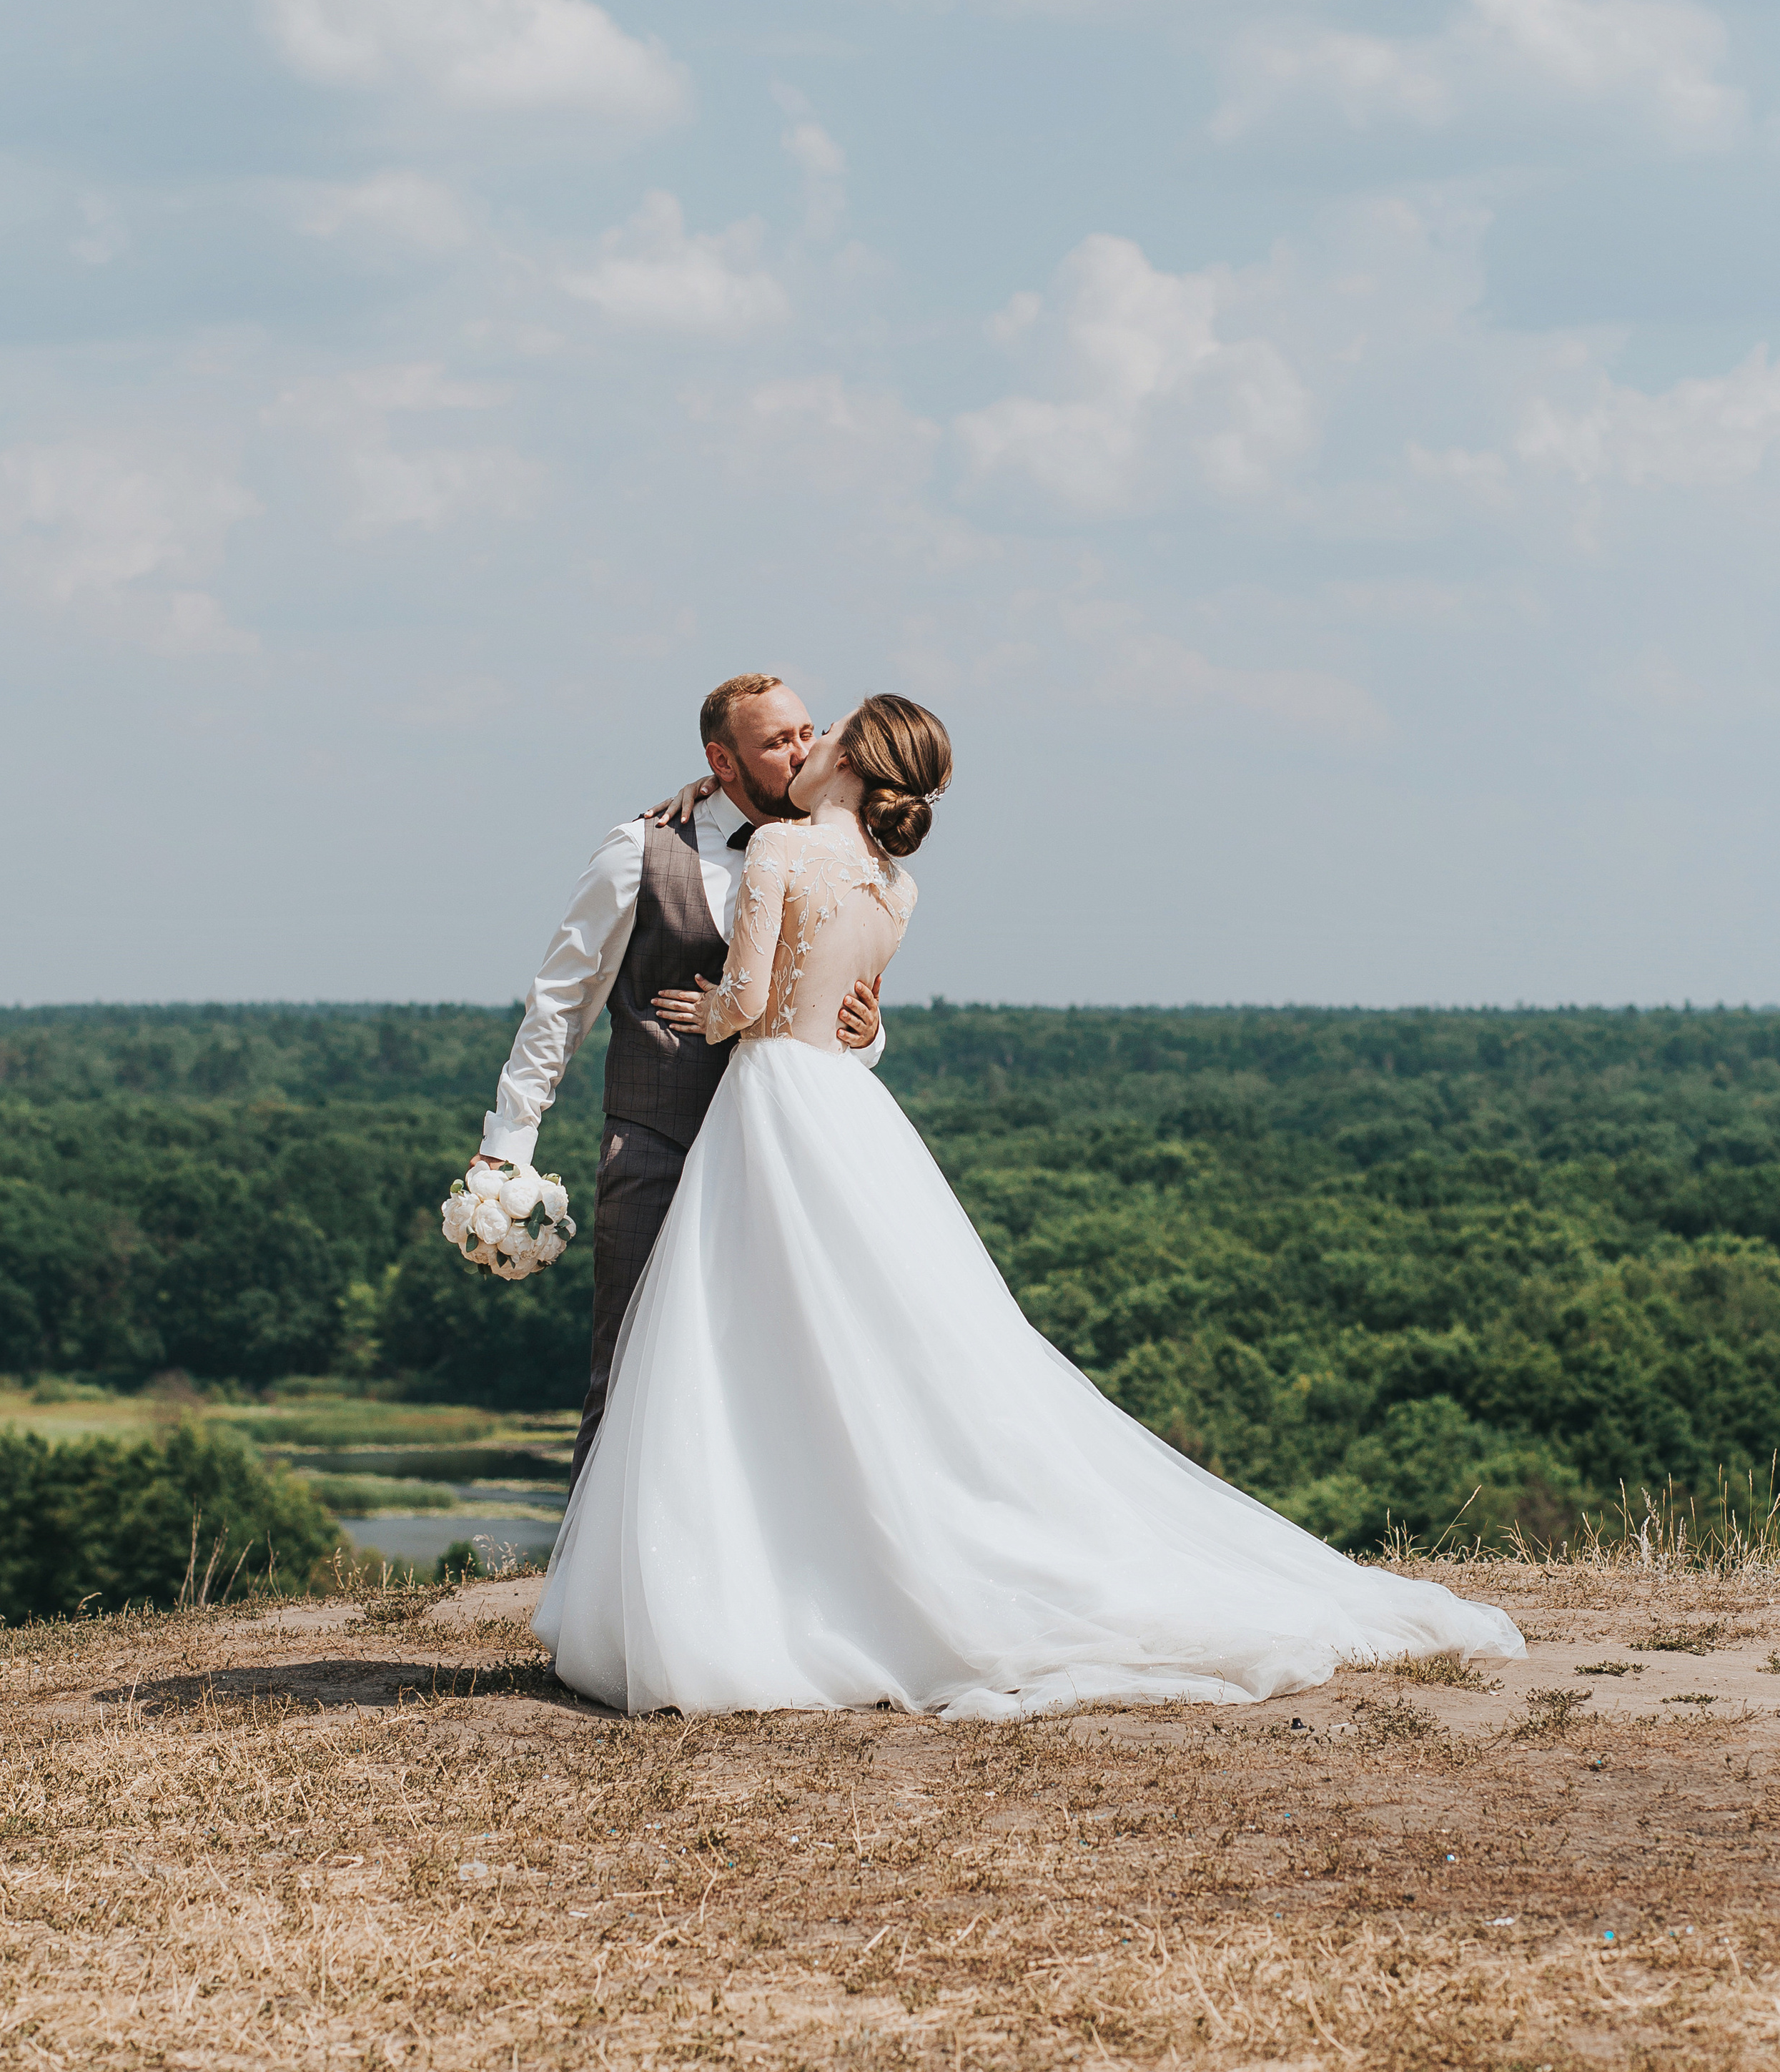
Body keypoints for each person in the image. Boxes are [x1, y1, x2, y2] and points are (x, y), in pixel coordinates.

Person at [530, 693, 1524, 1718]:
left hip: (772, 1103)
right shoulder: (898, 889)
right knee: (875, 1340)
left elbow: (745, 1006)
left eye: (824, 731)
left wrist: (708, 1011)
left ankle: (771, 1572)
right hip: (848, 1113)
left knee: (741, 1336)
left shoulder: (781, 852)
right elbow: (843, 1014)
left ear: (854, 762)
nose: (810, 740)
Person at [475, 673, 889, 1486]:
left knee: (782, 1372)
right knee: (626, 1366)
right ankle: (591, 1596)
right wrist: (508, 1146)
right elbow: (561, 1003)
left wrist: (870, 1034)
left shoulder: (838, 855)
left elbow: (847, 1003)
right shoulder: (640, 849)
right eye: (777, 740)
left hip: (784, 1156)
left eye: (808, 732)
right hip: (656, 1144)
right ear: (720, 762)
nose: (804, 750)